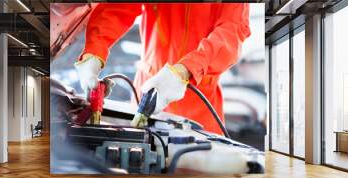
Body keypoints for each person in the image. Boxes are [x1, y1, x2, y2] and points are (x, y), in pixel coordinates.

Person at [75, 3, 250, 134]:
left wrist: (186, 69)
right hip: (147, 90)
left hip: (200, 100)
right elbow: (117, 8)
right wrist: (93, 51)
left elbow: (232, 30)